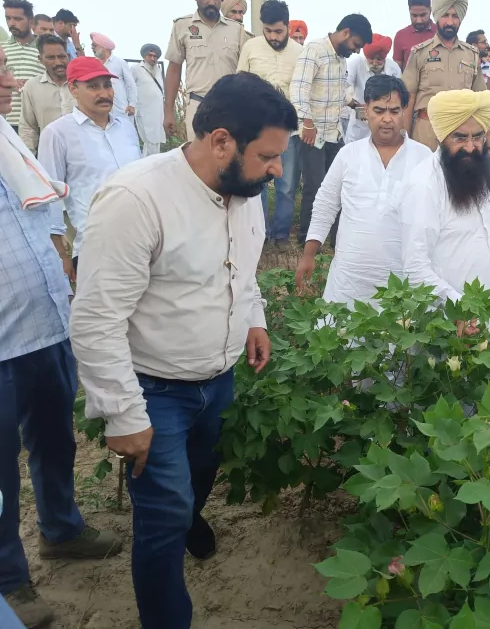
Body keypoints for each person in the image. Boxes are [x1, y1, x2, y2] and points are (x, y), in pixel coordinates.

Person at [70, 72, 294, 629]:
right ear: (221, 141)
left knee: (201, 473)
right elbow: (96, 318)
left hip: (218, 379)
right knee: (162, 520)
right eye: (267, 156)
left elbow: (243, 267)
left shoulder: (242, 189)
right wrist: (123, 415)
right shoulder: (136, 199)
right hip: (155, 389)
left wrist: (254, 319)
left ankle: (188, 509)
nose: (277, 170)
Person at [0, 45, 122, 629]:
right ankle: (8, 581)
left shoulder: (9, 136)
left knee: (53, 436)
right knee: (0, 465)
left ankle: (61, 529)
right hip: (0, 335)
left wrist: (65, 264)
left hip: (44, 319)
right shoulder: (41, 131)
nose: (8, 81)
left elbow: (45, 209)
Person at [296, 75, 431, 306]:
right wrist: (309, 255)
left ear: (404, 112)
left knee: (395, 340)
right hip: (348, 282)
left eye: (394, 111)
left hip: (401, 285)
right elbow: (325, 205)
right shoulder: (349, 154)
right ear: (365, 110)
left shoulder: (425, 158)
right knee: (342, 337)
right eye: (379, 110)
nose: (387, 119)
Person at [400, 89, 490, 316]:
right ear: (441, 136)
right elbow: (415, 268)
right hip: (445, 321)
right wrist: (459, 306)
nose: (470, 146)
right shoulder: (425, 184)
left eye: (477, 137)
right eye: (459, 137)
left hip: (479, 315)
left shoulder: (473, 173)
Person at [38, 56, 141, 272]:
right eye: (93, 86)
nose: (104, 94)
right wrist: (60, 256)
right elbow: (49, 199)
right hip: (96, 249)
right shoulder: (57, 134)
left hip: (141, 241)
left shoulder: (126, 128)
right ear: (73, 89)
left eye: (107, 85)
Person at [290, 14, 373, 246]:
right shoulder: (314, 50)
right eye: (356, 45)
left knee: (339, 185)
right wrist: (306, 123)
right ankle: (307, 238)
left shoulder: (341, 58)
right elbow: (298, 89)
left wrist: (353, 103)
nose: (356, 51)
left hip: (334, 133)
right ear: (345, 33)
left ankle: (336, 238)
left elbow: (337, 90)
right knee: (315, 186)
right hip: (313, 134)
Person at [237, 0, 304, 250]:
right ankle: (260, 233)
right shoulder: (251, 47)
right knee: (259, 182)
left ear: (287, 26)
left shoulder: (299, 53)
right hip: (257, 129)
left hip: (289, 132)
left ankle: (281, 235)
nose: (273, 37)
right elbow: (241, 82)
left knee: (286, 185)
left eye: (278, 31)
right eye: (268, 31)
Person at [164, 0, 250, 140]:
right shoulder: (182, 26)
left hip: (230, 106)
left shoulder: (237, 30)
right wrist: (168, 112)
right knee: (198, 159)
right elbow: (174, 70)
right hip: (198, 105)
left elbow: (246, 72)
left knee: (229, 158)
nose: (211, 1)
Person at [402, 0, 486, 151]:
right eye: (445, 15)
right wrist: (404, 139)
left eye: (455, 16)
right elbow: (408, 97)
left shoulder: (472, 54)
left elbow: (480, 98)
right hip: (426, 132)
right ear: (436, 16)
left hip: (461, 132)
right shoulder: (420, 53)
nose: (450, 22)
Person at [19, 35, 73, 153]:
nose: (58, 62)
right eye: (51, 57)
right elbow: (28, 128)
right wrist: (29, 159)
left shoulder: (82, 84)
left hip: (83, 154)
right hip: (49, 154)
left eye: (62, 57)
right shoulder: (31, 87)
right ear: (40, 59)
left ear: (68, 57)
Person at [345, 34, 401, 144]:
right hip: (360, 125)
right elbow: (341, 87)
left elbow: (400, 97)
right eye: (371, 59)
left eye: (379, 59)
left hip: (385, 122)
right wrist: (355, 105)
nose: (374, 63)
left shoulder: (394, 68)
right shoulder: (356, 64)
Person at [3, 0, 43, 134]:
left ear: (31, 22)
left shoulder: (45, 50)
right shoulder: (2, 49)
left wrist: (32, 85)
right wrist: (10, 83)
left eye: (17, 19)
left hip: (36, 124)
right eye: (8, 18)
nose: (11, 23)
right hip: (5, 123)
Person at [91, 32, 137, 124]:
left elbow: (131, 85)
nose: (92, 48)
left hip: (121, 111)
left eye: (94, 45)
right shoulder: (95, 64)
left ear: (104, 46)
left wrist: (132, 104)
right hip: (102, 110)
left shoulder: (119, 62)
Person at [133, 44, 166, 157]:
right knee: (150, 140)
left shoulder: (158, 70)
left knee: (155, 141)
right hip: (143, 111)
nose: (152, 59)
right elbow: (129, 88)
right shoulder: (136, 69)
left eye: (155, 56)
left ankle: (148, 164)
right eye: (150, 55)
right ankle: (153, 164)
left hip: (157, 112)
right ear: (144, 56)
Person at [393, 0, 437, 70]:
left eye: (423, 15)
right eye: (414, 15)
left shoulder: (441, 33)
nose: (419, 20)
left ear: (430, 11)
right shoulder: (401, 35)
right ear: (409, 11)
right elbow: (396, 70)